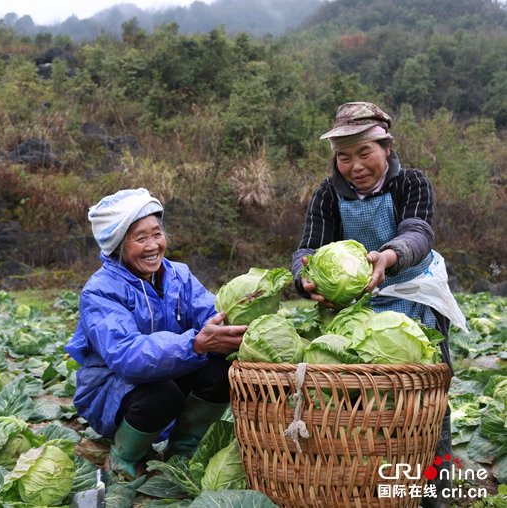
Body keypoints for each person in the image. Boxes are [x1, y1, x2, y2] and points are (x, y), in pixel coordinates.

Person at [291, 102, 463, 508]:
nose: (355, 166)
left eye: (365, 152)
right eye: (344, 156)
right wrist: (305, 278)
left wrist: (388, 257)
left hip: (414, 294)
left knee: (428, 399)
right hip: (357, 308)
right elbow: (308, 248)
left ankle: (435, 492)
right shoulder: (327, 194)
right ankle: (374, 487)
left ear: (386, 147)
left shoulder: (411, 184)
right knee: (363, 400)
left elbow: (418, 233)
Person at [65, 188, 247, 479]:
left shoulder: (179, 276)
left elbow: (213, 315)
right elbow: (128, 357)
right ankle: (123, 456)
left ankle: (183, 451)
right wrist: (196, 344)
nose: (153, 245)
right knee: (163, 395)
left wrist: (244, 328)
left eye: (157, 233)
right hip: (110, 389)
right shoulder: (100, 291)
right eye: (140, 238)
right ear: (117, 246)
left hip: (168, 370)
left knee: (221, 370)